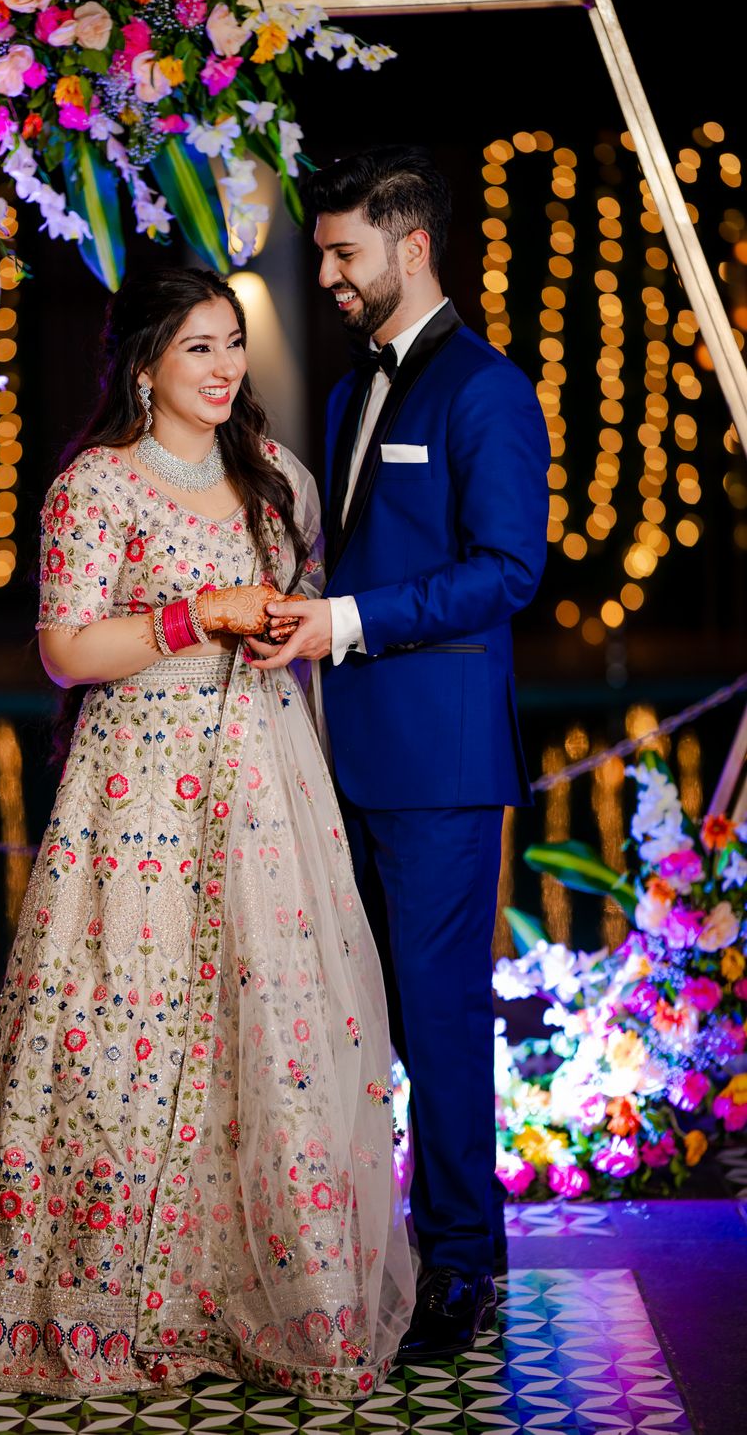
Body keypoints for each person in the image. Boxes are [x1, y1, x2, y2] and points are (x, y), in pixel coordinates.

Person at [0, 266, 416, 1398]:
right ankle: (105, 1307)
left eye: (233, 344)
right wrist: (197, 616)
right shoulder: (99, 487)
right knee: (120, 1035)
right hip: (136, 802)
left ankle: (279, 1297)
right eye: (198, 349)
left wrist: (286, 632)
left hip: (269, 794)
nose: (227, 367)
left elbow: (307, 620)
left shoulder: (280, 478)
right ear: (144, 366)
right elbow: (67, 653)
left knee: (272, 1031)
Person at [251, 146, 548, 1358]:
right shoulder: (346, 390)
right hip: (344, 754)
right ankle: (370, 1247)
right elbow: (360, 558)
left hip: (438, 766)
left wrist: (344, 625)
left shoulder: (486, 390)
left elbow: (506, 572)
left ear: (410, 247)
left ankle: (464, 1270)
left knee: (435, 1021)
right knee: (357, 1021)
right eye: (323, 252)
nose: (326, 273)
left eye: (343, 253)